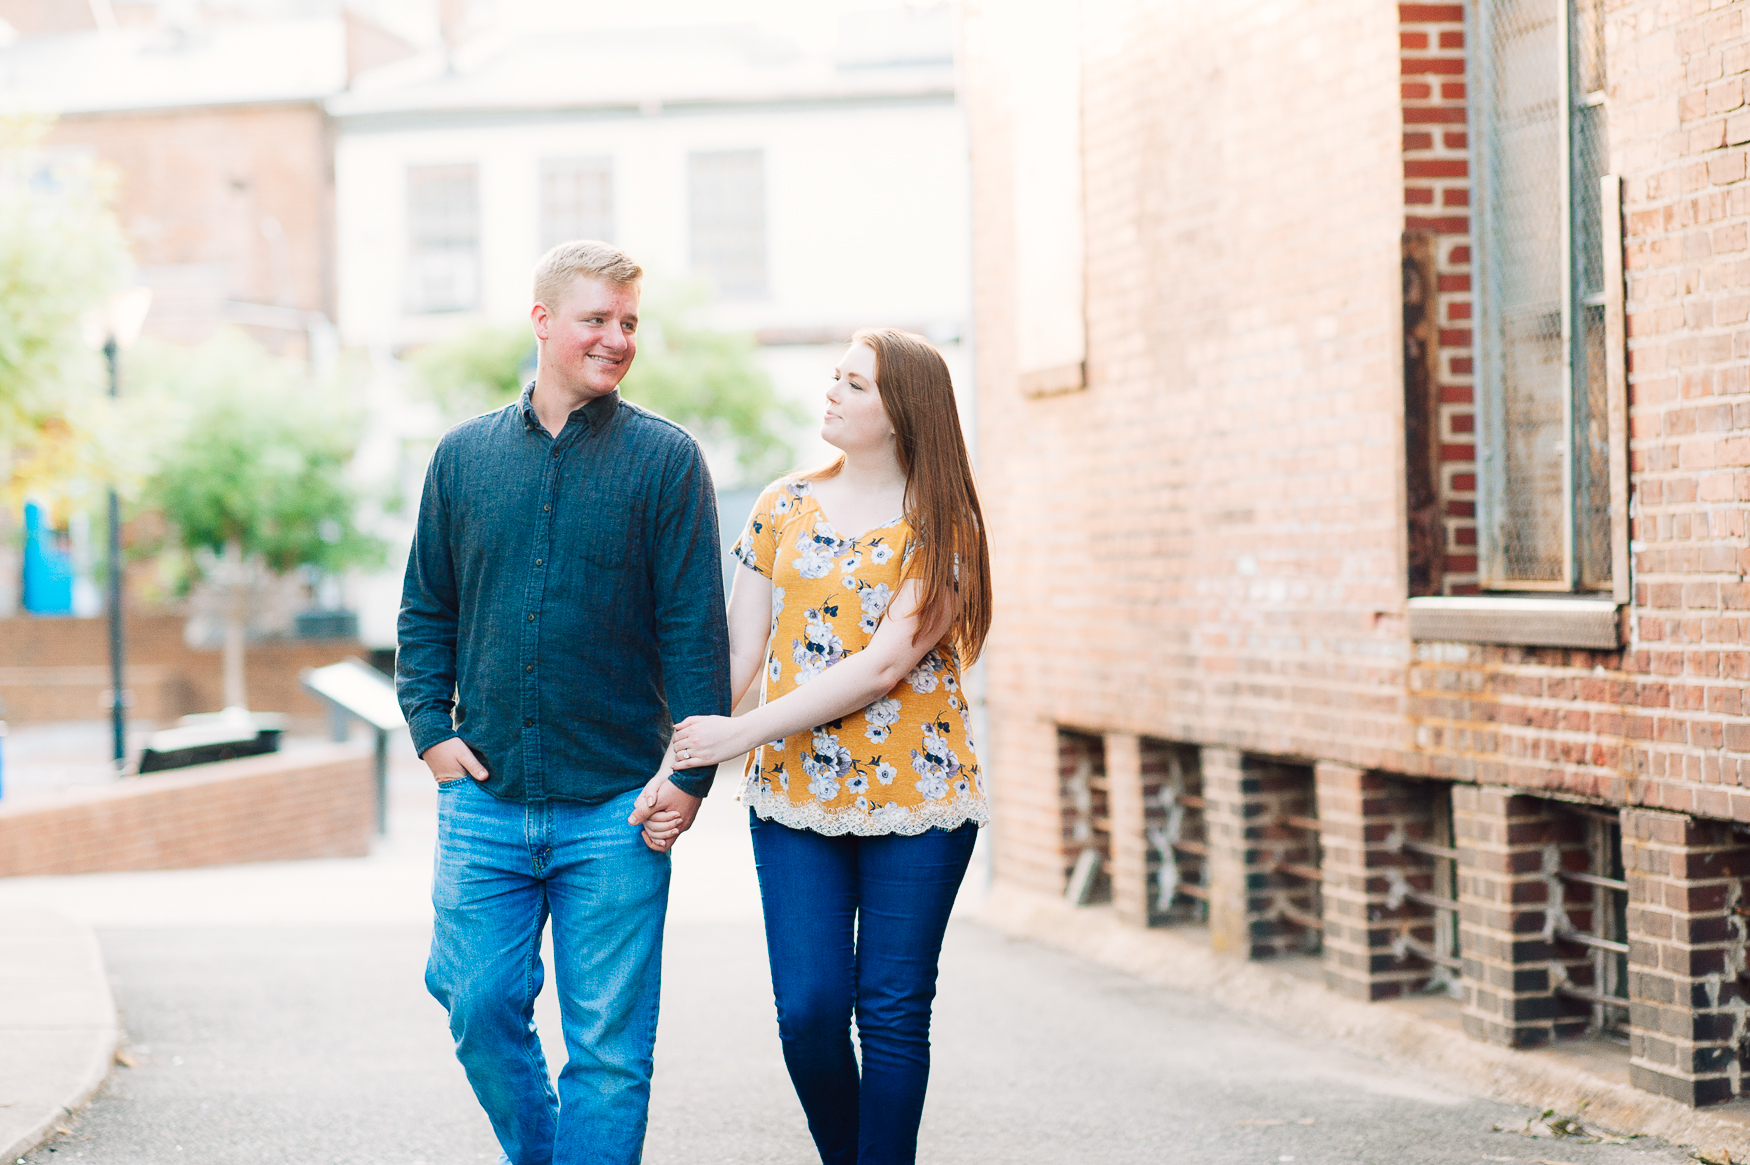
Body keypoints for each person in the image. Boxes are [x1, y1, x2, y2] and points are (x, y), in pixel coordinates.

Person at [396, 239, 730, 1165]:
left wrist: (690, 776)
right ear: (543, 320)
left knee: (612, 1055)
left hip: (617, 806)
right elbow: (426, 609)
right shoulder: (463, 459)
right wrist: (431, 731)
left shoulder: (666, 462)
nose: (617, 339)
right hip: (486, 797)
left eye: (629, 322)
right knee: (476, 1002)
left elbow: (694, 631)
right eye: (597, 319)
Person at [643, 328, 992, 1165]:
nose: (831, 393)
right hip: (794, 798)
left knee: (893, 1010)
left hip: (920, 798)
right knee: (807, 1008)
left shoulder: (944, 523)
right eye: (833, 378)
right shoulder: (781, 504)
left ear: (904, 410)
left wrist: (739, 735)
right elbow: (739, 655)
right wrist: (675, 762)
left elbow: (880, 668)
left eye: (855, 385)